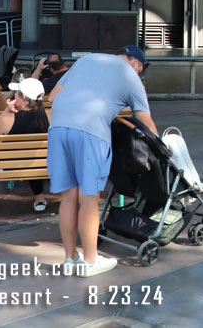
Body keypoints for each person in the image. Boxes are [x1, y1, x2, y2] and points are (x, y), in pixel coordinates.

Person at [46, 45, 157, 278]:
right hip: (91, 131)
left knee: (68, 196)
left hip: (57, 127)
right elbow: (144, 119)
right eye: (140, 70)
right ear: (137, 64)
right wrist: (160, 145)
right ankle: (90, 261)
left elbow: (53, 96)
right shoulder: (131, 76)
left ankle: (69, 259)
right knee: (89, 197)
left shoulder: (87, 59)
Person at [0, 78, 51, 211]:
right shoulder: (51, 115)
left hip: (11, 167)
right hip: (45, 166)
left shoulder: (8, 119)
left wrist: (5, 112)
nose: (14, 95)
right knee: (34, 157)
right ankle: (39, 197)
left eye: (16, 93)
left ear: (24, 96)